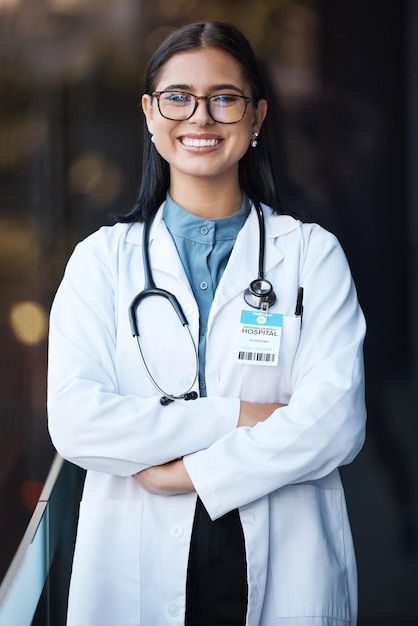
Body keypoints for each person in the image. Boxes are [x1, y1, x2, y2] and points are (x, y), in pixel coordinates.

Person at [47, 21, 366, 626]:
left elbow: (336, 421)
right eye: (178, 97)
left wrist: (189, 473)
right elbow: (76, 422)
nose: (201, 117)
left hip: (284, 552)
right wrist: (236, 416)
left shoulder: (310, 255)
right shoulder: (101, 261)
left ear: (257, 117)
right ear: (149, 113)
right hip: (133, 559)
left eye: (224, 98)